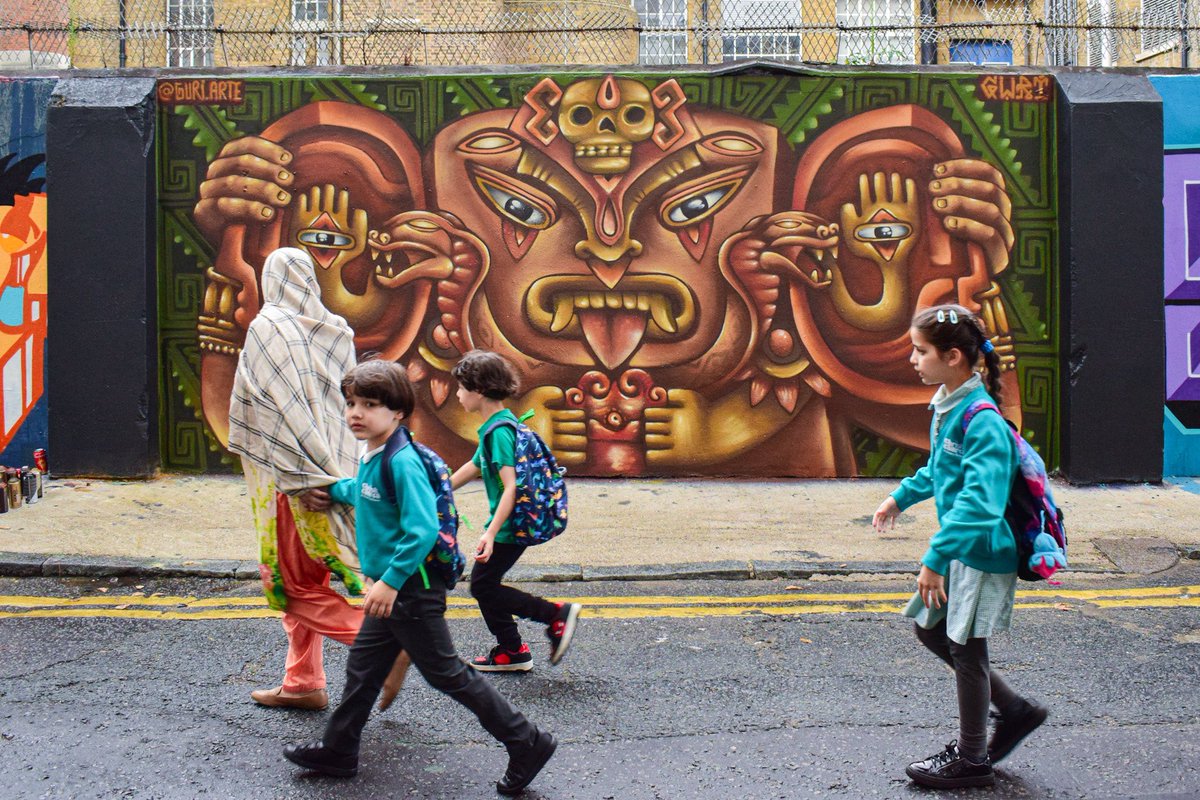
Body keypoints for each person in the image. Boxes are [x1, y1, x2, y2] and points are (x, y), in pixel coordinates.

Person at [286, 360, 557, 795]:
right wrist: (336, 491)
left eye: (369, 404)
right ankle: (339, 750)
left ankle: (527, 741)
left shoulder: (401, 460)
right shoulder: (374, 454)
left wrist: (390, 581)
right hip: (392, 589)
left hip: (411, 587)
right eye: (352, 403)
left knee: (447, 674)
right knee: (363, 669)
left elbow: (422, 528)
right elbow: (368, 493)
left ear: (397, 412)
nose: (356, 412)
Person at [872, 304, 1048, 790]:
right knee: (930, 629)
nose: (912, 359)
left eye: (920, 351)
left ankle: (972, 757)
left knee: (966, 648)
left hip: (980, 550)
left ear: (952, 356)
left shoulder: (983, 420)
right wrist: (900, 496)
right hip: (959, 547)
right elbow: (941, 471)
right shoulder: (950, 404)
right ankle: (1014, 710)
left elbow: (982, 504)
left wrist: (934, 558)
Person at [227, 247, 407, 711]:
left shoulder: (268, 328)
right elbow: (334, 409)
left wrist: (304, 476)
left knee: (291, 585)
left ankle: (382, 645)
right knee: (313, 576)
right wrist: (330, 471)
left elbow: (277, 410)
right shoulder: (335, 331)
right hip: (339, 465)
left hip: (294, 477)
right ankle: (303, 681)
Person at [449, 349, 581, 672]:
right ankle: (512, 649)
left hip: (510, 526)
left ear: (478, 391)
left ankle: (552, 616)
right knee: (484, 584)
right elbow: (474, 466)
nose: (457, 394)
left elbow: (512, 487)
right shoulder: (498, 425)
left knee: (482, 585)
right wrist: (438, 490)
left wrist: (491, 532)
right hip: (510, 523)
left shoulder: (500, 433)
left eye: (461, 388)